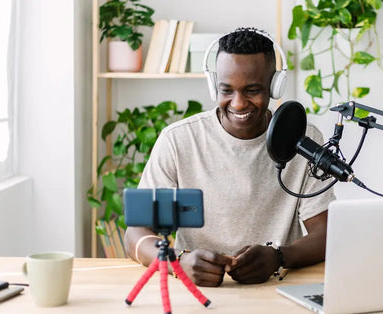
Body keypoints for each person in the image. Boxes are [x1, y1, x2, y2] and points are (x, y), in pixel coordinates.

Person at [124, 27, 335, 287]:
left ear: (274, 87)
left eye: (252, 90)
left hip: (275, 287)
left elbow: (326, 233)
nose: (237, 103)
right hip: (196, 290)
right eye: (227, 91)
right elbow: (135, 233)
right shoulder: (178, 140)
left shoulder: (302, 139)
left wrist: (278, 256)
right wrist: (177, 262)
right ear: (214, 86)